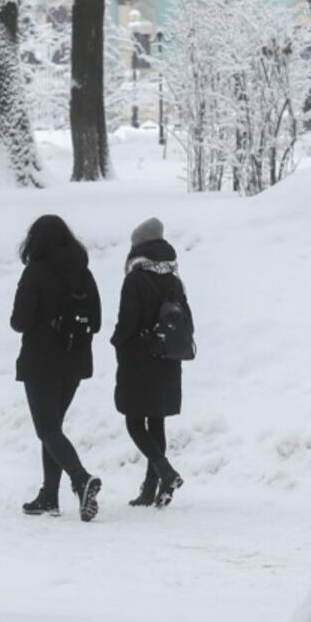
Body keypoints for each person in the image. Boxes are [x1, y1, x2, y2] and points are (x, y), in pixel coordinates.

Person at [9, 214, 103, 522]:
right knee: (53, 430)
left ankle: (81, 479)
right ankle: (49, 495)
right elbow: (97, 322)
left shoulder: (35, 272)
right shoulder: (83, 272)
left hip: (41, 362)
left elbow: (19, 321)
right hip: (74, 363)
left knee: (47, 429)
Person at [111, 217, 191, 508]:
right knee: (155, 421)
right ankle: (152, 488)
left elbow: (127, 321)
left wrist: (117, 342)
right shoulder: (173, 278)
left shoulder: (135, 278)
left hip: (138, 357)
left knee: (134, 421)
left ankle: (165, 473)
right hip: (168, 357)